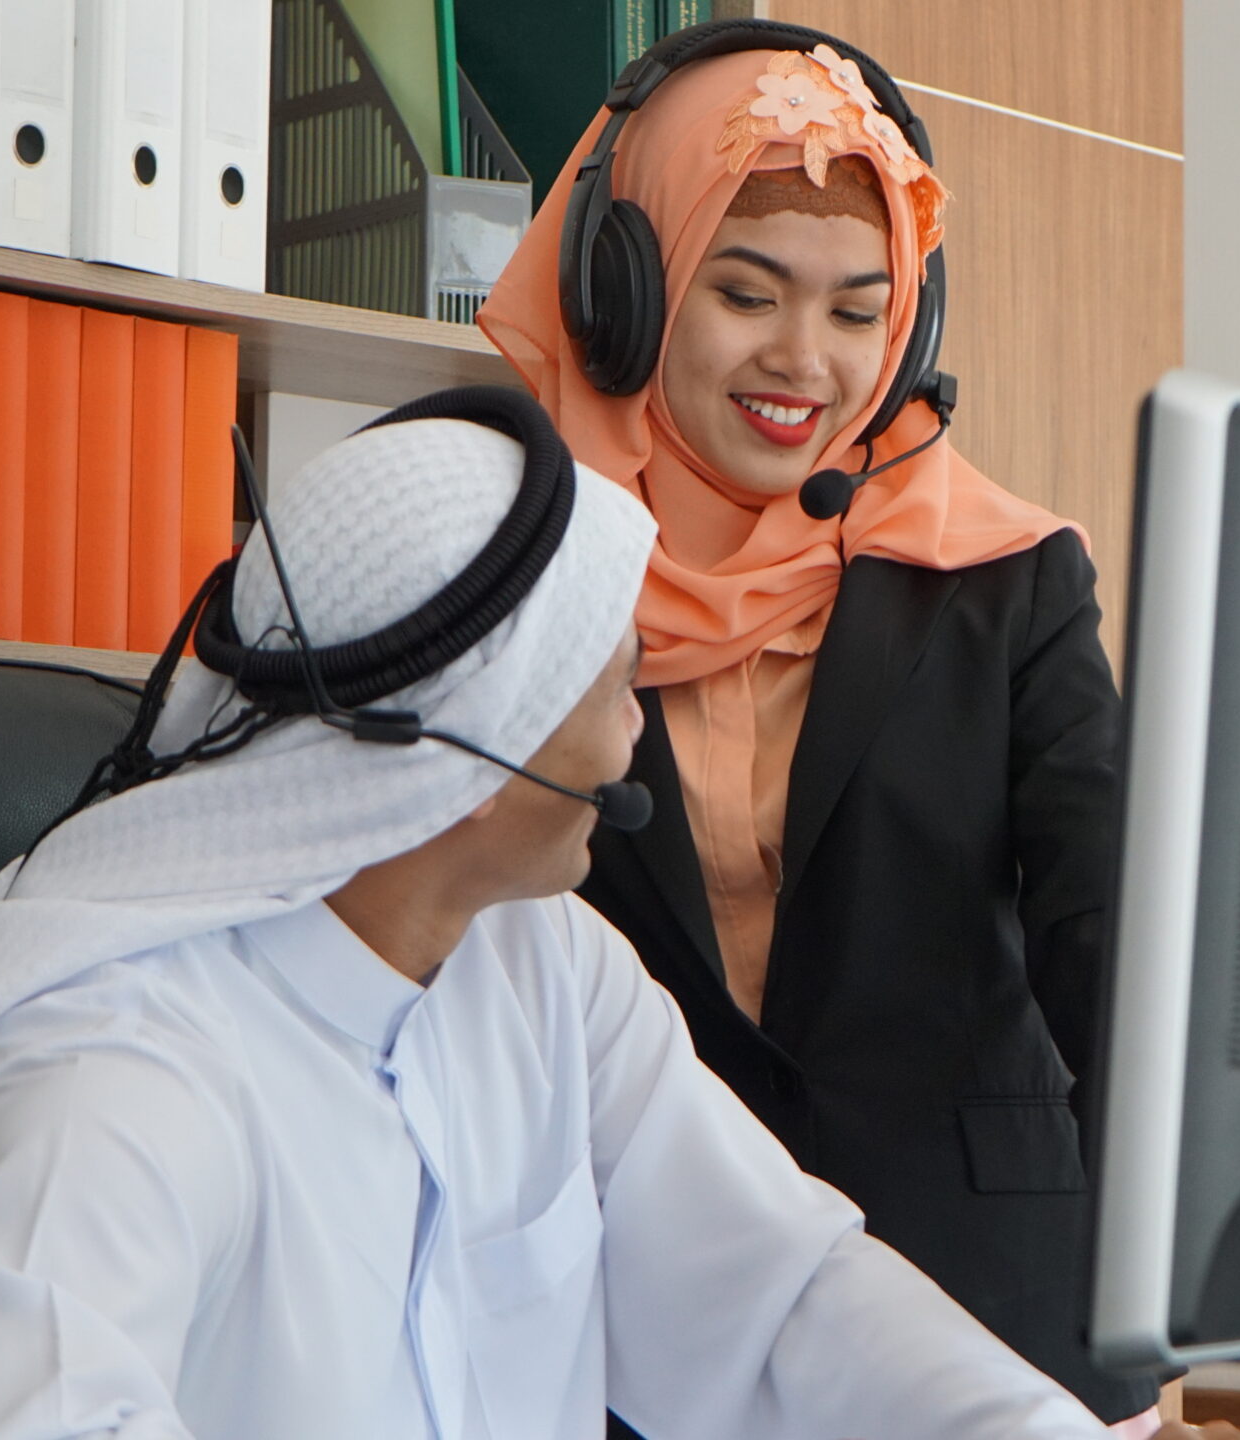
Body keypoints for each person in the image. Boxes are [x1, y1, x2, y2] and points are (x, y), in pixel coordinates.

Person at [0, 391, 1191, 1440]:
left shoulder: (543, 974)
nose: (635, 727)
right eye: (608, 673)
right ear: (467, 750)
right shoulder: (107, 1087)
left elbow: (782, 1301)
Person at [481, 23, 1196, 1436]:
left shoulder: (1006, 578)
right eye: (745, 293)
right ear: (628, 292)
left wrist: (1164, 1302)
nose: (803, 362)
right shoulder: (513, 574)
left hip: (984, 1303)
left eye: (859, 311)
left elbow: (1106, 941)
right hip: (633, 1314)